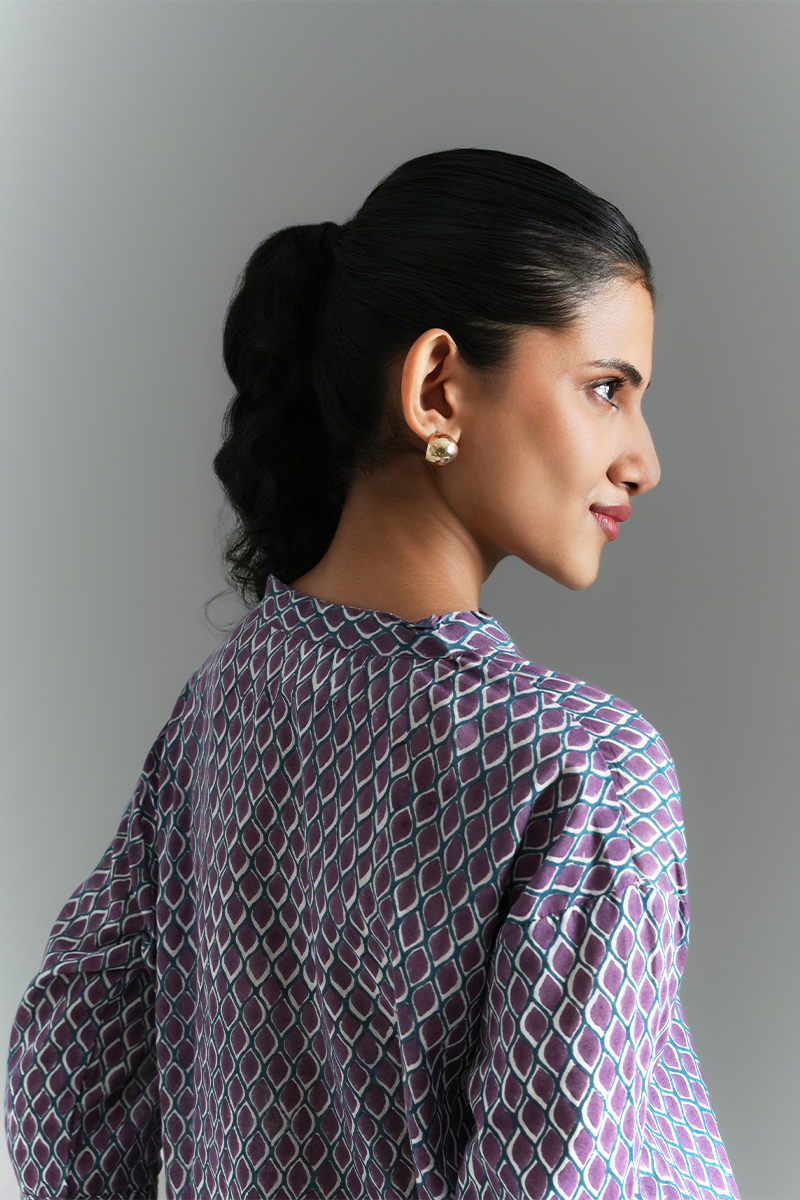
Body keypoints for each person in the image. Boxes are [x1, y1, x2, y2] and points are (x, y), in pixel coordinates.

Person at [4, 148, 739, 1200]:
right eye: (604, 389)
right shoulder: (585, 771)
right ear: (437, 388)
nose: (644, 459)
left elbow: (65, 1080)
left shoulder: (218, 713)